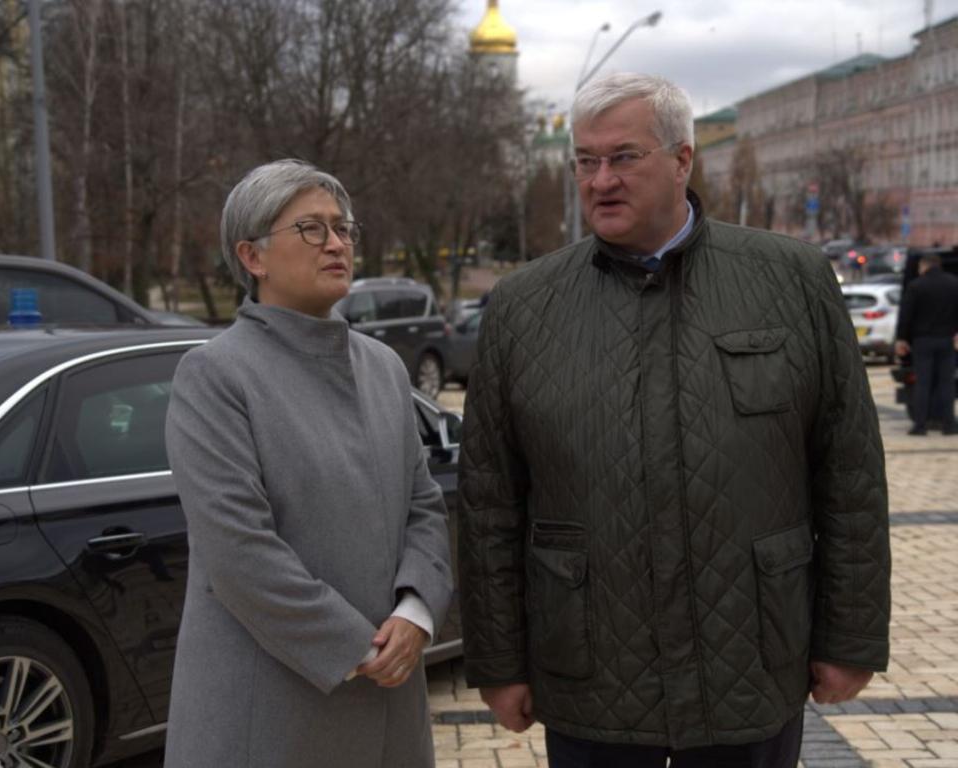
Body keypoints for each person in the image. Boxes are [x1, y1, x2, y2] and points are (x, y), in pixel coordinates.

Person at [458, 73, 890, 767]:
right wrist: (498, 661)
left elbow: (849, 474)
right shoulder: (522, 308)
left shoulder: (790, 281)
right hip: (592, 672)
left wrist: (850, 638)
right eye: (585, 161)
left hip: (750, 658)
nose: (600, 180)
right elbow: (490, 504)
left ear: (683, 159)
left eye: (624, 157)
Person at [163, 159, 452, 768]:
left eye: (343, 228)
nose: (338, 243)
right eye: (312, 230)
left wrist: (415, 611)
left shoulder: (383, 367)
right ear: (253, 257)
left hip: (389, 708)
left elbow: (422, 505)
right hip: (272, 714)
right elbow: (239, 551)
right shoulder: (216, 375)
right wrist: (356, 646)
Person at [894, 251, 958, 435]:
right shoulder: (954, 283)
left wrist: (901, 339)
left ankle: (920, 425)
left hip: (922, 341)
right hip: (947, 341)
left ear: (924, 266)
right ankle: (950, 425)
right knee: (947, 384)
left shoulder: (915, 285)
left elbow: (906, 315)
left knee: (923, 384)